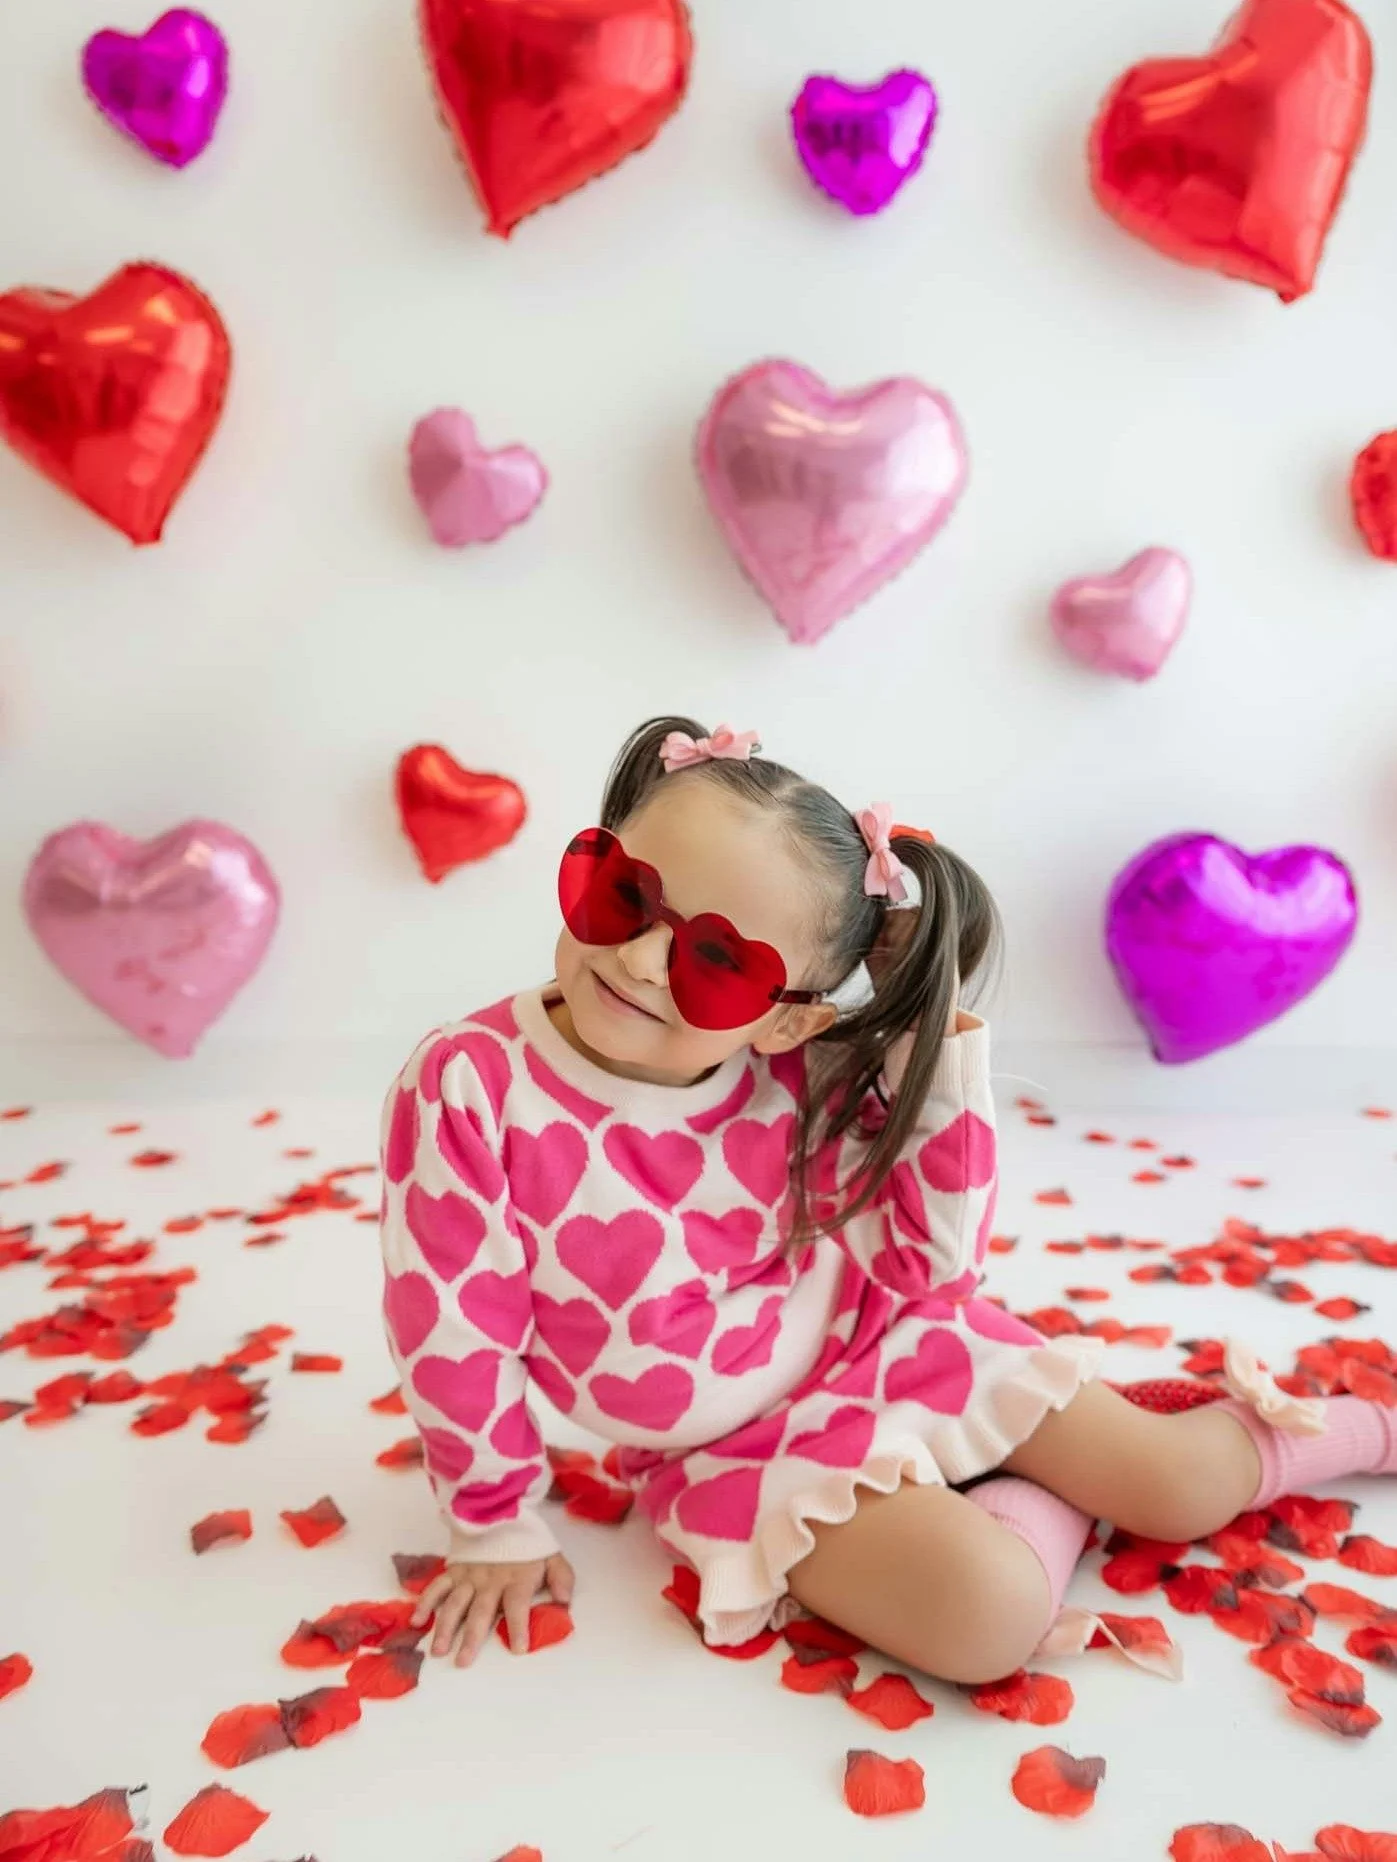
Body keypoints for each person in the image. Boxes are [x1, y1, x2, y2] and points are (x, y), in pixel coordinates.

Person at [379, 714, 1396, 1680]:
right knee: (987, 1617)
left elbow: (931, 1268)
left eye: (720, 959)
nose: (641, 959)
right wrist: (493, 1521)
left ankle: (1375, 1424)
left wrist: (924, 1047)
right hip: (727, 1453)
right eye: (625, 894)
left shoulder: (792, 1073)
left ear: (788, 1021)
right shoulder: (473, 1083)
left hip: (884, 1340)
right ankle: (1034, 1499)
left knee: (1178, 1487)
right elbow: (455, 1325)